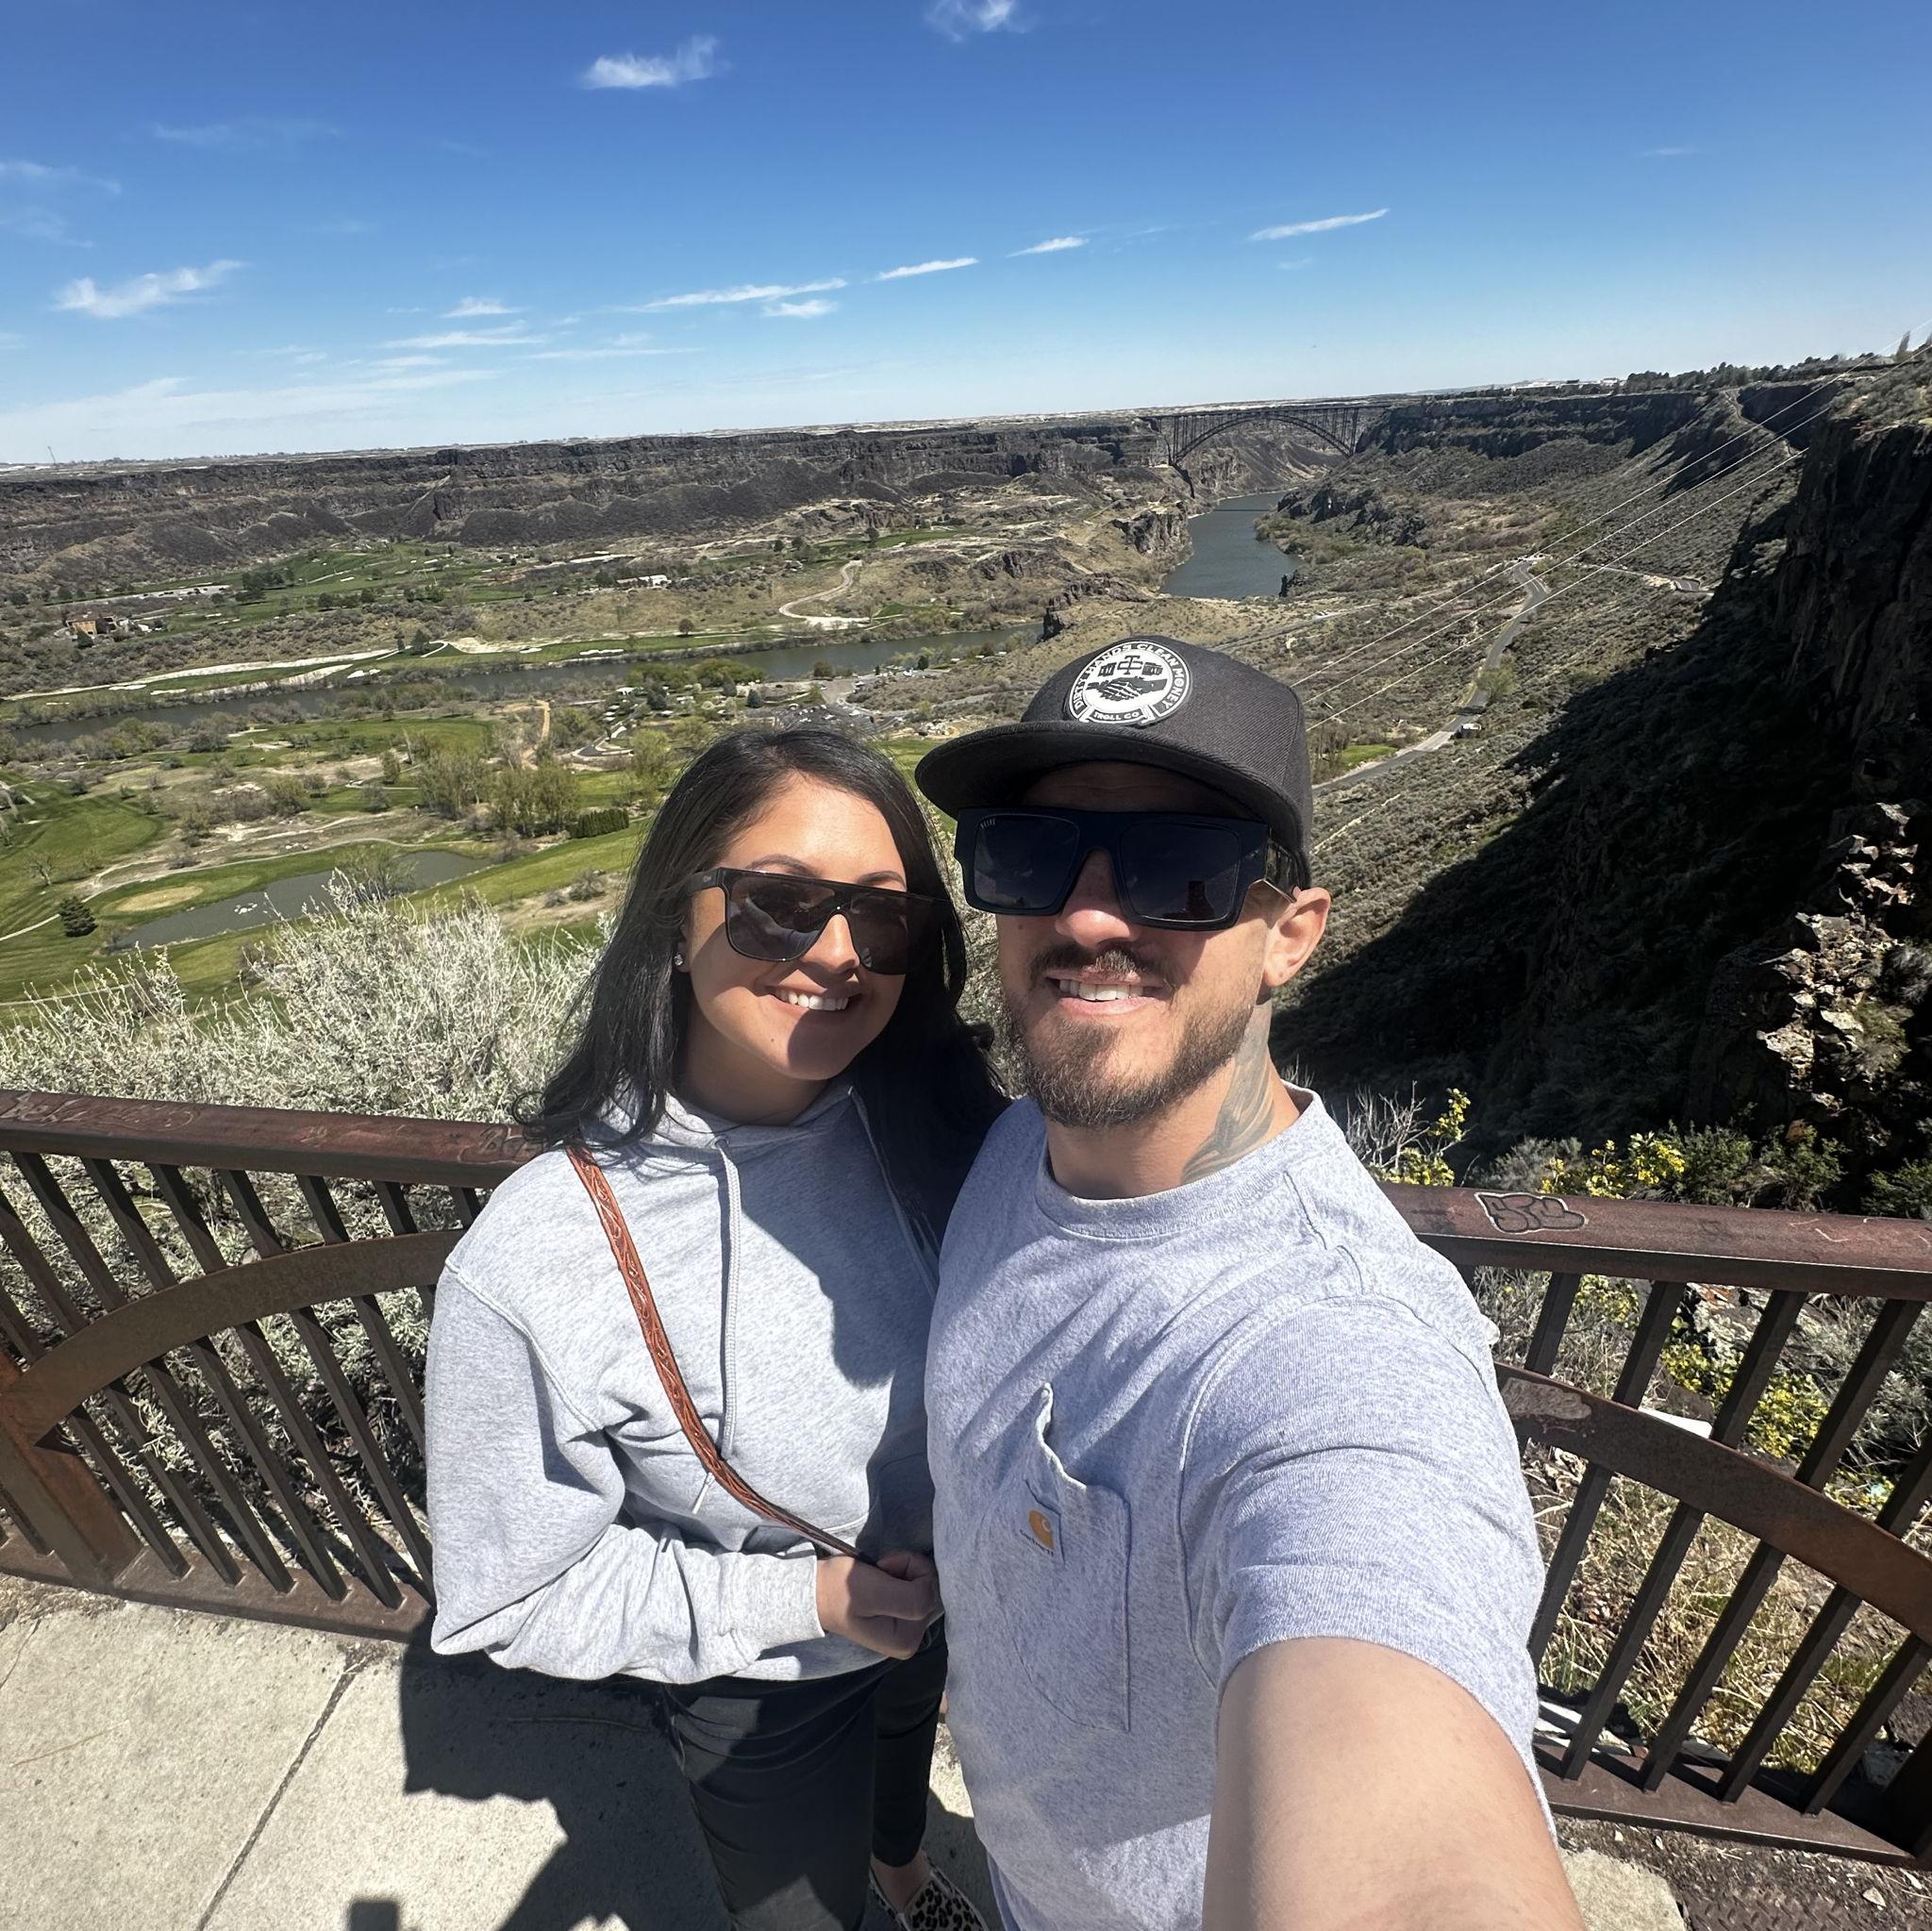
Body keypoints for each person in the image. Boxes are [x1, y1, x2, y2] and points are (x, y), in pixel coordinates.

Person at [914, 636, 1584, 1931]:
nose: (1090, 918)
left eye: (1179, 871)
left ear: (1290, 932)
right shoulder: (1012, 1150)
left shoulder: (1336, 1348)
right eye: (1030, 855)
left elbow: (1401, 1787)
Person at [425, 727, 1005, 1931]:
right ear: (673, 917)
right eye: (779, 906)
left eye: (880, 919)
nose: (837, 953)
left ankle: (905, 1877)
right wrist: (805, 1606)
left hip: (947, 1602)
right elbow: (509, 1594)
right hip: (765, 1685)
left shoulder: (947, 1127)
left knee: (899, 1797)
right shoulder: (540, 1259)